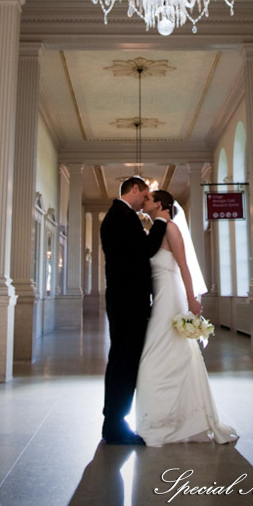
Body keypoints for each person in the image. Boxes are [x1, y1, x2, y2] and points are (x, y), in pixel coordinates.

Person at [135, 189, 238, 447]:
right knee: (162, 356)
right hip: (159, 299)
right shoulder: (153, 232)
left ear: (159, 204)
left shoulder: (170, 229)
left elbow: (184, 267)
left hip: (171, 299)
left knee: (158, 355)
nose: (143, 202)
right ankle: (165, 417)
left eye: (148, 199)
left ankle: (176, 420)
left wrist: (192, 300)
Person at [100, 176, 167, 445]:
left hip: (123, 301)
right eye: (145, 194)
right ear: (136, 189)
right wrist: (161, 220)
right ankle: (115, 425)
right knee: (125, 363)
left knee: (120, 361)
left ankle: (113, 420)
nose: (145, 200)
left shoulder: (118, 215)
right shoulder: (123, 216)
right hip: (128, 303)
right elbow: (147, 250)